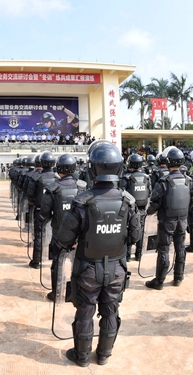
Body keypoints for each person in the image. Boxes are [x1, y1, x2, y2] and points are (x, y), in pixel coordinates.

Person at [56, 142, 141, 367]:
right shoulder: (128, 200)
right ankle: (104, 355)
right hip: (117, 268)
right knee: (111, 312)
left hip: (88, 269)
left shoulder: (82, 202)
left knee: (85, 313)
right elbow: (135, 236)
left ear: (92, 168)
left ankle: (82, 357)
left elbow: (63, 239)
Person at [40, 153, 87, 300]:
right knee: (76, 263)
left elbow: (45, 213)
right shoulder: (82, 187)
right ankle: (73, 294)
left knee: (58, 263)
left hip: (58, 233)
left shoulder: (53, 188)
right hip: (79, 234)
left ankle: (57, 294)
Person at [145, 147, 193, 289]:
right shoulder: (188, 180)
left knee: (164, 249)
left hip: (167, 221)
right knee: (180, 247)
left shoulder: (164, 181)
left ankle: (159, 281)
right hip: (182, 220)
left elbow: (155, 203)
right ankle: (178, 277)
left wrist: (149, 212)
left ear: (168, 162)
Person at [29, 151, 57, 269]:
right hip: (56, 212)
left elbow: (30, 195)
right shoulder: (57, 178)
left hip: (40, 210)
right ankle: (53, 259)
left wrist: (34, 204)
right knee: (55, 236)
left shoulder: (37, 178)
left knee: (39, 236)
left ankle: (36, 261)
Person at [119, 153, 151, 260]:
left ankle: (127, 256)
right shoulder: (146, 177)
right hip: (142, 209)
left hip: (129, 209)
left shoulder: (126, 178)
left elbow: (121, 193)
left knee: (128, 230)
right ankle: (139, 254)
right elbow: (149, 193)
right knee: (140, 230)